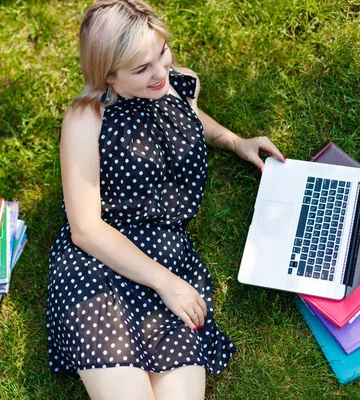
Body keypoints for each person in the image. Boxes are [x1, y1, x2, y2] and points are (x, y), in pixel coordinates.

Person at [46, 1, 285, 399]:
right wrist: (166, 284)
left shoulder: (175, 82)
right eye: (141, 68)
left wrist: (234, 141)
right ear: (109, 76)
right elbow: (85, 229)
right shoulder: (87, 117)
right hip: (99, 263)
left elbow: (191, 116)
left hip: (169, 253)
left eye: (162, 53)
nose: (161, 73)